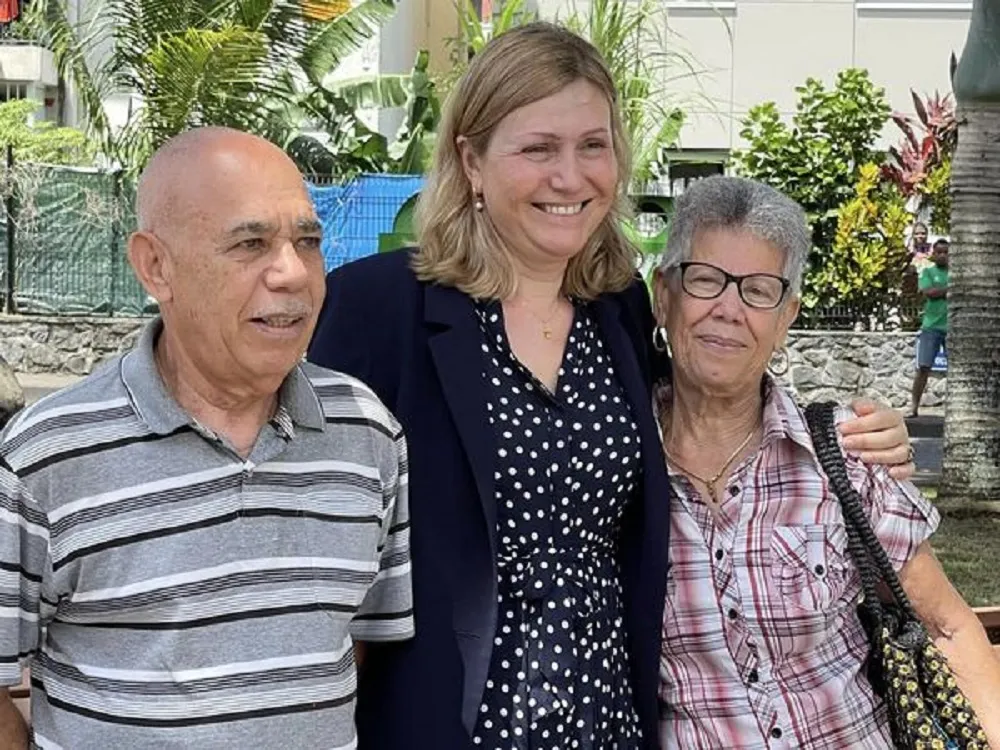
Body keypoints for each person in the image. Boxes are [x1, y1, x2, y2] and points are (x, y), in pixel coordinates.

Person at [308, 23, 914, 750]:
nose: (571, 178)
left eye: (592, 146)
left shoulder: (618, 308)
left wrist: (855, 432)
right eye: (539, 149)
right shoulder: (378, 308)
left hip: (609, 718)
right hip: (452, 723)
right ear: (471, 161)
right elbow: (316, 548)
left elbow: (709, 400)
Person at [0, 128, 413, 749]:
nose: (292, 273)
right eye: (250, 243)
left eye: (308, 242)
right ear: (155, 266)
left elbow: (355, 643)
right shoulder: (47, 455)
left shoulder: (366, 432)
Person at [652, 176, 1000, 748]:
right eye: (706, 280)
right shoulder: (613, 466)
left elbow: (946, 628)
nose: (729, 309)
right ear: (663, 296)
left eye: (758, 290)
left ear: (786, 317)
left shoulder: (843, 452)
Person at [909, 238, 949, 417]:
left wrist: (942, 290)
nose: (942, 255)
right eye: (939, 252)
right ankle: (913, 407)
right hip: (931, 327)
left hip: (952, 329)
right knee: (923, 368)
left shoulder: (956, 273)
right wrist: (949, 289)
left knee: (954, 371)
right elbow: (929, 292)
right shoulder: (928, 272)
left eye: (945, 252)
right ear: (933, 254)